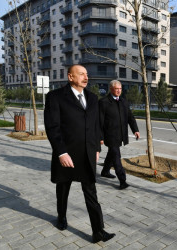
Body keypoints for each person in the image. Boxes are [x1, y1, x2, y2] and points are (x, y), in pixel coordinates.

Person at [44, 64, 115, 243]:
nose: (86, 77)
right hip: (67, 153)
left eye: (86, 74)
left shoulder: (92, 98)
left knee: (91, 191)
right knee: (63, 187)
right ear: (70, 77)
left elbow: (96, 125)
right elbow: (53, 128)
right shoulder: (55, 97)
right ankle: (61, 217)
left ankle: (98, 231)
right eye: (81, 74)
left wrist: (97, 148)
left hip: (87, 154)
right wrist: (61, 153)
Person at [99, 80, 140, 190]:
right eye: (116, 89)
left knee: (112, 154)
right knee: (116, 156)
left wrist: (135, 130)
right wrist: (100, 136)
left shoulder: (123, 101)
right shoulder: (103, 102)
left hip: (121, 134)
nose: (118, 91)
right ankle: (122, 180)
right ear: (111, 89)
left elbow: (130, 117)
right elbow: (99, 121)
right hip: (110, 135)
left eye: (120, 89)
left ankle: (105, 171)